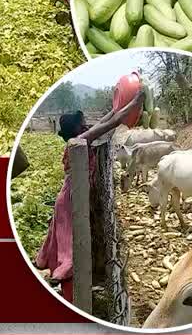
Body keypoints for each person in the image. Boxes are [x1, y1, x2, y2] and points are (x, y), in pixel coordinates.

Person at [35, 89, 145, 302]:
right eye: (82, 122)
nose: (86, 124)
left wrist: (117, 105)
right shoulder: (81, 140)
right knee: (69, 244)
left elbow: (108, 119)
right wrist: (137, 101)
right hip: (70, 199)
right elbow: (113, 123)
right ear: (75, 128)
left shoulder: (80, 136)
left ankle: (55, 271)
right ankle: (65, 282)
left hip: (72, 195)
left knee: (65, 238)